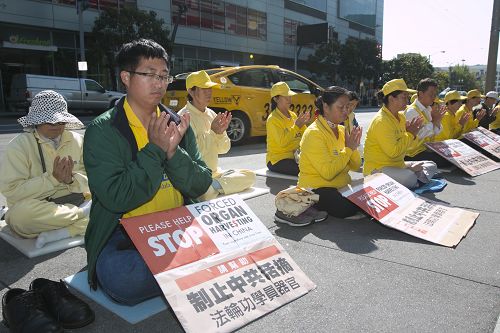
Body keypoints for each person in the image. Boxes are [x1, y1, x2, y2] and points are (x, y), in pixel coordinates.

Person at [83, 39, 212, 305]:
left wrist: (174, 152)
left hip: (175, 227)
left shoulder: (176, 123)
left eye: (164, 76)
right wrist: (155, 150)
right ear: (126, 78)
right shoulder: (104, 130)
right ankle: (191, 267)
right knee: (124, 278)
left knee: (239, 237)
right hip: (124, 232)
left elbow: (200, 183)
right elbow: (116, 198)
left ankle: (182, 266)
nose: (159, 83)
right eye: (149, 74)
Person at [0, 90, 90, 249]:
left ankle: (65, 229)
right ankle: (83, 216)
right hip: (39, 206)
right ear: (37, 122)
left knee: (111, 202)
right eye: (50, 121)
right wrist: (52, 179)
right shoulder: (19, 146)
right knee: (19, 218)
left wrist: (71, 179)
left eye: (61, 122)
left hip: (77, 199)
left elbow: (92, 180)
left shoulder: (77, 140)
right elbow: (12, 191)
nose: (56, 126)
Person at [177, 70, 255, 200]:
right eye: (204, 88)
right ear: (191, 91)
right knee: (203, 192)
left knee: (250, 175)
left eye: (210, 88)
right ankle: (216, 187)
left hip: (214, 174)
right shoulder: (183, 117)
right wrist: (213, 133)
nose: (209, 92)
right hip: (196, 175)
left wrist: (219, 134)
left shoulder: (212, 114)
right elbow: (193, 155)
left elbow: (224, 149)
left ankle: (215, 186)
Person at [297, 86, 364, 219]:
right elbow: (327, 173)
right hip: (317, 188)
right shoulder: (314, 133)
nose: (346, 111)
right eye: (341, 107)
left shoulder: (341, 129)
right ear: (326, 107)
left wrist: (353, 147)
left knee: (372, 193)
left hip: (341, 185)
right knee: (345, 207)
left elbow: (356, 166)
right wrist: (349, 149)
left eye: (348, 106)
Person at [363, 79, 437, 189]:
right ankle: (414, 179)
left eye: (407, 97)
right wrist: (411, 134)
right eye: (404, 97)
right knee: (409, 177)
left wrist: (414, 134)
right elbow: (393, 152)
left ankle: (413, 179)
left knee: (431, 165)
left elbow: (409, 146)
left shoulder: (401, 117)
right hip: (378, 168)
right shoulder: (381, 121)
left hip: (398, 165)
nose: (407, 100)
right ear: (391, 98)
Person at [266, 82, 310, 176]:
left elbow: (305, 137)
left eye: (289, 96)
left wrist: (307, 127)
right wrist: (297, 126)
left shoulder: (293, 115)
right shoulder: (273, 119)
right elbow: (282, 143)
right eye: (286, 96)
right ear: (276, 99)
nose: (289, 99)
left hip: (294, 157)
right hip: (277, 160)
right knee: (307, 171)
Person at [404, 78, 448, 166]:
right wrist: (434, 121)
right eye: (431, 94)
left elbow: (437, 131)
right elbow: (419, 134)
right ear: (421, 94)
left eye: (435, 94)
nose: (434, 97)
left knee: (449, 156)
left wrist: (437, 121)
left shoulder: (427, 109)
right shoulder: (412, 111)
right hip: (413, 154)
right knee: (445, 161)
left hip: (426, 149)